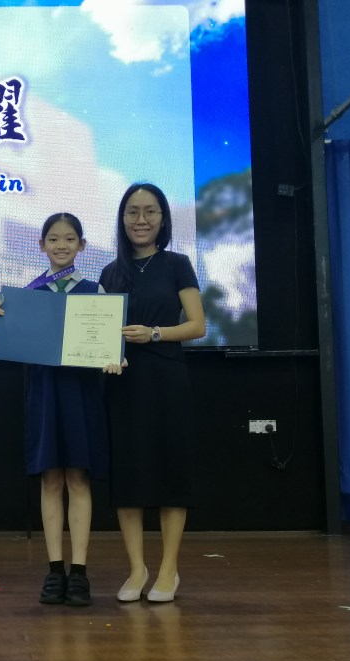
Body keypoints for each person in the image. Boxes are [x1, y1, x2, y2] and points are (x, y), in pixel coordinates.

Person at [0, 213, 121, 607]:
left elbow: (109, 344)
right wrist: (0, 315)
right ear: (41, 245)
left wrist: (116, 355)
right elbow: (14, 340)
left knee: (78, 478)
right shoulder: (26, 294)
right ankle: (55, 570)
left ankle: (79, 572)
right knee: (50, 480)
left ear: (82, 245)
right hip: (44, 392)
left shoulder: (97, 292)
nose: (61, 245)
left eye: (69, 239)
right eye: (53, 239)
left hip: (81, 393)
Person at [99, 182, 205, 603]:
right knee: (128, 477)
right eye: (132, 212)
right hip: (122, 382)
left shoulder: (178, 264)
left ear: (163, 219)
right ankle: (137, 568)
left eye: (150, 211)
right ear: (122, 219)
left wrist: (154, 333)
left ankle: (168, 569)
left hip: (166, 379)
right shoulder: (110, 272)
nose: (140, 220)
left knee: (170, 473)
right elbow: (98, 331)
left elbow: (197, 325)